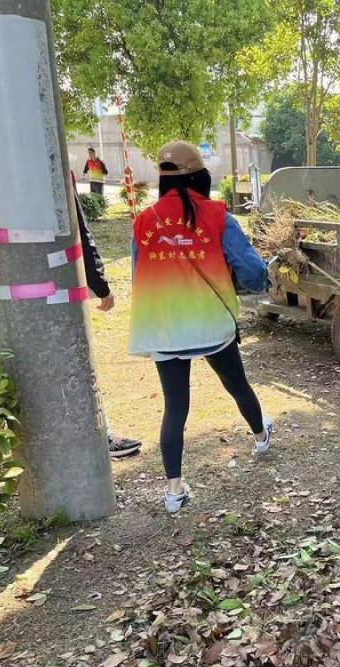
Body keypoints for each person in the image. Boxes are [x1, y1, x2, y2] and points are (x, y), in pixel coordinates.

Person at [129, 140, 272, 512]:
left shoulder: (142, 223)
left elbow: (138, 277)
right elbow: (254, 271)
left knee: (175, 407)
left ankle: (174, 491)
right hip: (211, 325)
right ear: (200, 176)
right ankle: (260, 437)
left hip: (166, 328)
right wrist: (259, 282)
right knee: (237, 384)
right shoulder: (218, 216)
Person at [69, 171, 142, 459]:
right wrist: (100, 285)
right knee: (76, 362)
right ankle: (101, 437)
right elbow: (78, 231)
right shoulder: (54, 163)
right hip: (58, 291)